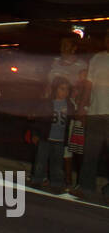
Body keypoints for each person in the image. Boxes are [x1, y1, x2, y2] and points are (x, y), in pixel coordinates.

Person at [43, 36, 87, 187]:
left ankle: (69, 179)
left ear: (74, 48)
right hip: (52, 107)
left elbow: (84, 88)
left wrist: (80, 106)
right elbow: (48, 84)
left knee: (67, 144)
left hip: (69, 108)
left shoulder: (80, 65)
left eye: (67, 45)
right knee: (49, 139)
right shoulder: (55, 62)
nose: (63, 48)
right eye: (62, 45)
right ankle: (50, 175)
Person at [73, 30, 109, 200]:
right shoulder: (97, 58)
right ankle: (86, 187)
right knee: (90, 152)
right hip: (95, 111)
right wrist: (82, 107)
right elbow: (89, 84)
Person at [29, 76, 75, 192]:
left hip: (59, 139)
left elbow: (70, 122)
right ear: (55, 89)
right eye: (62, 89)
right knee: (41, 161)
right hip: (46, 137)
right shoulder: (47, 104)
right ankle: (37, 180)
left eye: (67, 90)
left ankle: (56, 183)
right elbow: (38, 120)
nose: (65, 92)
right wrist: (35, 133)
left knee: (57, 164)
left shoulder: (69, 105)